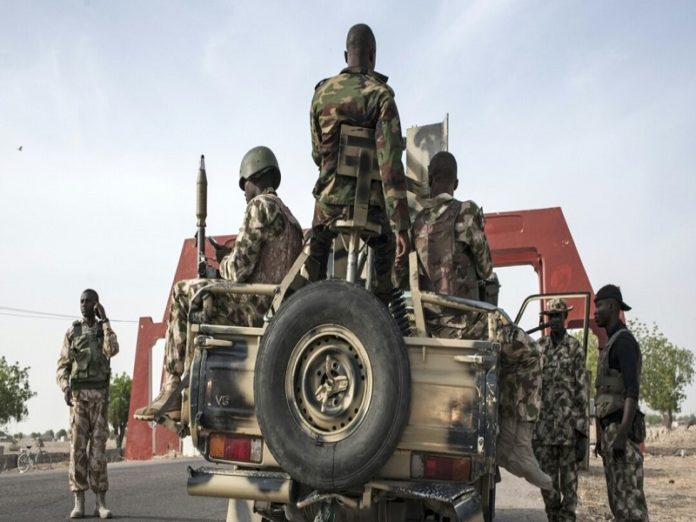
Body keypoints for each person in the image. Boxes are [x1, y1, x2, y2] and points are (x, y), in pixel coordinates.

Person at [412, 151, 552, 490]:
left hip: (423, 325)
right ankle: (515, 443)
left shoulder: (413, 221)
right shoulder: (466, 212)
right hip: (465, 322)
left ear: (430, 181)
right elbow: (486, 269)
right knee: (529, 354)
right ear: (455, 182)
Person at [134, 146, 303, 422]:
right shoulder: (291, 219)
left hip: (251, 308)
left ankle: (172, 388)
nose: (244, 194)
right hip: (272, 307)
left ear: (253, 177)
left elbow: (237, 271)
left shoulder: (260, 206)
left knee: (182, 292)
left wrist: (219, 268)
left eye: (244, 186)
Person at [308, 23, 411, 303]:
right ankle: (379, 305)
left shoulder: (321, 94)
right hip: (373, 210)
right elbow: (390, 165)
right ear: (372, 55)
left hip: (329, 206)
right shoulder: (381, 95)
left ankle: (311, 300)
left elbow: (317, 155)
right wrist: (401, 225)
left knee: (315, 249)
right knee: (385, 248)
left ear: (345, 56)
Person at [57, 289, 119, 519]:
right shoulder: (73, 332)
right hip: (79, 401)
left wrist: (105, 321)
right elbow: (62, 366)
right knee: (78, 452)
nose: (83, 304)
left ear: (96, 304)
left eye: (88, 301)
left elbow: (112, 350)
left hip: (100, 401)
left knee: (98, 453)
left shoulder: (104, 331)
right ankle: (79, 501)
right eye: (81, 301)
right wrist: (65, 387)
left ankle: (100, 502)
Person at [594, 284, 649, 521]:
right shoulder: (610, 345)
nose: (595, 312)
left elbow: (631, 392)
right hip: (611, 431)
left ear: (613, 307)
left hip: (621, 432)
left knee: (631, 505)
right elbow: (602, 396)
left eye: (599, 306)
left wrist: (621, 435)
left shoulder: (624, 342)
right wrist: (601, 437)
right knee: (618, 503)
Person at [533, 298, 588, 521]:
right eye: (551, 317)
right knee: (547, 485)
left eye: (558, 316)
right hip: (544, 433)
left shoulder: (574, 348)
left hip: (568, 433)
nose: (554, 320)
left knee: (570, 487)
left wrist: (582, 433)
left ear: (565, 318)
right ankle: (553, 516)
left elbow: (581, 391)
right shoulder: (539, 348)